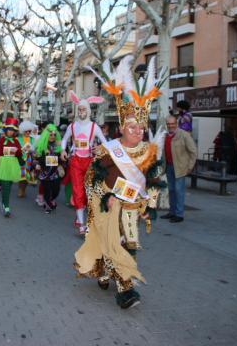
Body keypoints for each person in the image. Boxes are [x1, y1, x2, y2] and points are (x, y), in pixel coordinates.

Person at [74, 54, 165, 309]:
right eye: (132, 127)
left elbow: (155, 180)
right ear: (123, 127)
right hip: (111, 204)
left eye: (141, 128)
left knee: (132, 243)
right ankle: (125, 289)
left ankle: (110, 270)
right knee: (112, 242)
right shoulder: (109, 150)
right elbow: (91, 178)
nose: (138, 131)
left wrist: (151, 204)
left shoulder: (149, 151)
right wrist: (104, 195)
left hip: (134, 206)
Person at [61, 91, 106, 234]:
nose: (81, 112)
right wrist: (63, 150)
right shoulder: (72, 126)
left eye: (84, 109)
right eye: (79, 109)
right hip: (75, 161)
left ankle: (82, 215)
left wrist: (99, 148)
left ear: (88, 110)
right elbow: (64, 140)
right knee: (77, 190)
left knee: (89, 191)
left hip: (89, 161)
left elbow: (105, 143)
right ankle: (81, 223)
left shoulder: (94, 127)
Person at [160, 115, 197, 223]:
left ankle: (179, 214)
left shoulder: (184, 135)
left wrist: (190, 166)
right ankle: (172, 212)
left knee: (178, 191)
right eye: (168, 124)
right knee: (171, 190)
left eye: (172, 123)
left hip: (180, 168)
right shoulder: (166, 135)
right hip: (169, 167)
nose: (170, 126)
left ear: (176, 123)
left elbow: (193, 151)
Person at [0, 118, 24, 217]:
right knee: (5, 186)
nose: (10, 131)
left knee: (9, 185)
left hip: (13, 165)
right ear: (5, 130)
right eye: (9, 129)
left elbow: (19, 153)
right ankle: (7, 207)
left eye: (12, 130)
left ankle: (4, 203)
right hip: (3, 164)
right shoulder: (1, 140)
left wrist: (22, 156)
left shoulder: (16, 141)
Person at [34, 124, 64, 214]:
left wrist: (62, 162)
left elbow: (62, 159)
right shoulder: (41, 145)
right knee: (47, 190)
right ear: (47, 135)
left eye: (54, 135)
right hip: (44, 172)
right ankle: (48, 205)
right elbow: (36, 158)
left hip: (54, 173)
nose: (53, 136)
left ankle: (50, 200)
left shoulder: (58, 146)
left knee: (56, 190)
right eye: (51, 134)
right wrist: (37, 164)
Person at [17, 120, 37, 198]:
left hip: (29, 159)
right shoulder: (18, 139)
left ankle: (23, 189)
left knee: (26, 176)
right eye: (26, 131)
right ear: (23, 131)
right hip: (21, 159)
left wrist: (33, 151)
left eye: (29, 131)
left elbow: (35, 149)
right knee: (22, 176)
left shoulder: (32, 139)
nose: (28, 133)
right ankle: (20, 189)